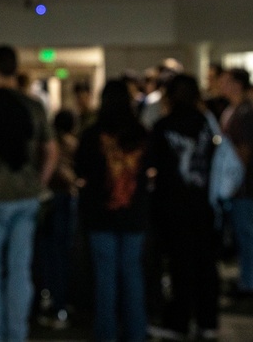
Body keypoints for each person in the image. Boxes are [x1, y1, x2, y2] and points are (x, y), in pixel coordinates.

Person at [0, 44, 58, 342]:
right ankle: (17, 334)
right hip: (26, 196)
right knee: (20, 272)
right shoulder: (34, 106)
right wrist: (40, 183)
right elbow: (51, 150)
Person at [145, 73, 221, 341]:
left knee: (181, 266)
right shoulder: (206, 123)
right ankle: (208, 320)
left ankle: (179, 322)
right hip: (203, 203)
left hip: (172, 206)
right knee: (205, 264)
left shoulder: (163, 127)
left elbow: (150, 164)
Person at [75, 79, 150, 342]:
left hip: (100, 215)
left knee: (105, 278)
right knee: (132, 276)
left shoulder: (92, 134)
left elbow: (81, 170)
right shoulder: (141, 133)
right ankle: (136, 332)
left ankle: (105, 334)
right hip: (134, 214)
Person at [219, 67, 253, 297]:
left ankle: (252, 283)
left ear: (237, 84)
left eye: (225, 80)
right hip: (247, 184)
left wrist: (231, 181)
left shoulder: (244, 111)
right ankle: (252, 279)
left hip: (246, 186)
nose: (220, 84)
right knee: (251, 233)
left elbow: (244, 150)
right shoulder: (240, 109)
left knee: (249, 233)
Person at [36, 108, 79, 329]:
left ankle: (51, 301)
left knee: (49, 253)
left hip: (49, 201)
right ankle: (61, 304)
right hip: (68, 199)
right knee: (63, 253)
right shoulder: (73, 144)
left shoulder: (47, 144)